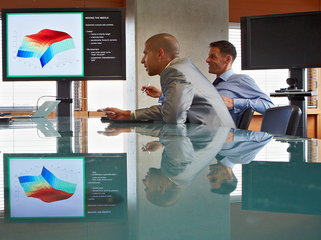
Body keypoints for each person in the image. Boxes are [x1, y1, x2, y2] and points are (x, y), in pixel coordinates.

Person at [101, 33, 234, 127]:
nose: (142, 60)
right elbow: (172, 111)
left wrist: (129, 115)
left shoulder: (174, 71)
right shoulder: (183, 67)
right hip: (218, 138)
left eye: (145, 54)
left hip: (215, 141)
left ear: (160, 53)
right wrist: (128, 114)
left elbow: (173, 117)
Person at [206, 40, 274, 124]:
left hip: (225, 134)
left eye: (213, 56)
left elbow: (268, 105)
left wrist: (234, 102)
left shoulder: (240, 80)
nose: (207, 60)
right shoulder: (216, 84)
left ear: (227, 59)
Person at [208, 129, 272, 195]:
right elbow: (267, 135)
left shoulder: (212, 153)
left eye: (210, 179)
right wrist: (234, 136)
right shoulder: (242, 158)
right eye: (213, 179)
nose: (208, 176)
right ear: (228, 177)